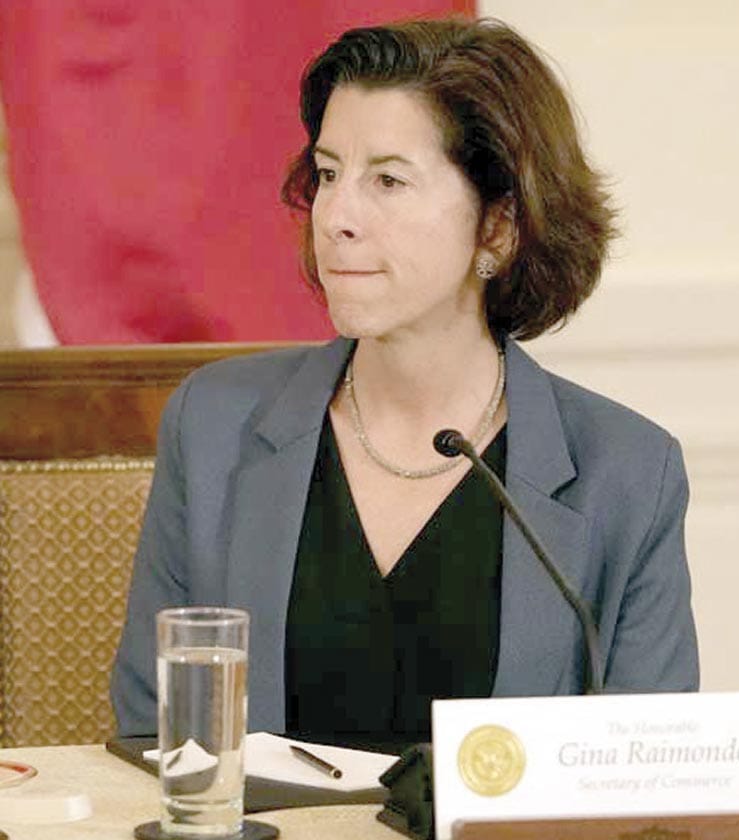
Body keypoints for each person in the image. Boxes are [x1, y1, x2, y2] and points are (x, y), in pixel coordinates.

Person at [111, 17, 698, 746]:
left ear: (499, 227)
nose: (336, 217)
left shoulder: (629, 473)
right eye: (329, 174)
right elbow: (153, 732)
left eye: (388, 180)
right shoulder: (213, 424)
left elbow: (647, 776)